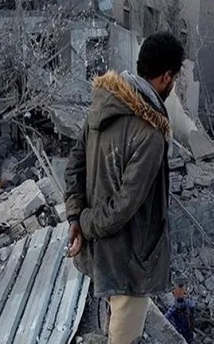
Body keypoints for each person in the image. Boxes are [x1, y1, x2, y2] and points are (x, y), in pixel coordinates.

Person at [64, 32, 184, 344]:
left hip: (101, 256)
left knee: (111, 318)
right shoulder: (150, 135)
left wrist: (75, 217)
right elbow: (123, 206)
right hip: (129, 262)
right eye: (174, 78)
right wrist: (84, 223)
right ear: (166, 77)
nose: (173, 85)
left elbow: (74, 166)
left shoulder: (103, 106)